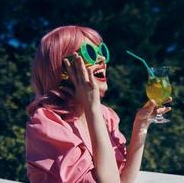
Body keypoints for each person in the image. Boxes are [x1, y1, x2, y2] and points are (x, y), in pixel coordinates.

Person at [26, 25, 172, 183]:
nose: (102, 59)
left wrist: (140, 126)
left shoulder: (107, 117)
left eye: (102, 51)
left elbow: (122, 181)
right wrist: (92, 107)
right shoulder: (46, 123)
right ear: (63, 71)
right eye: (89, 53)